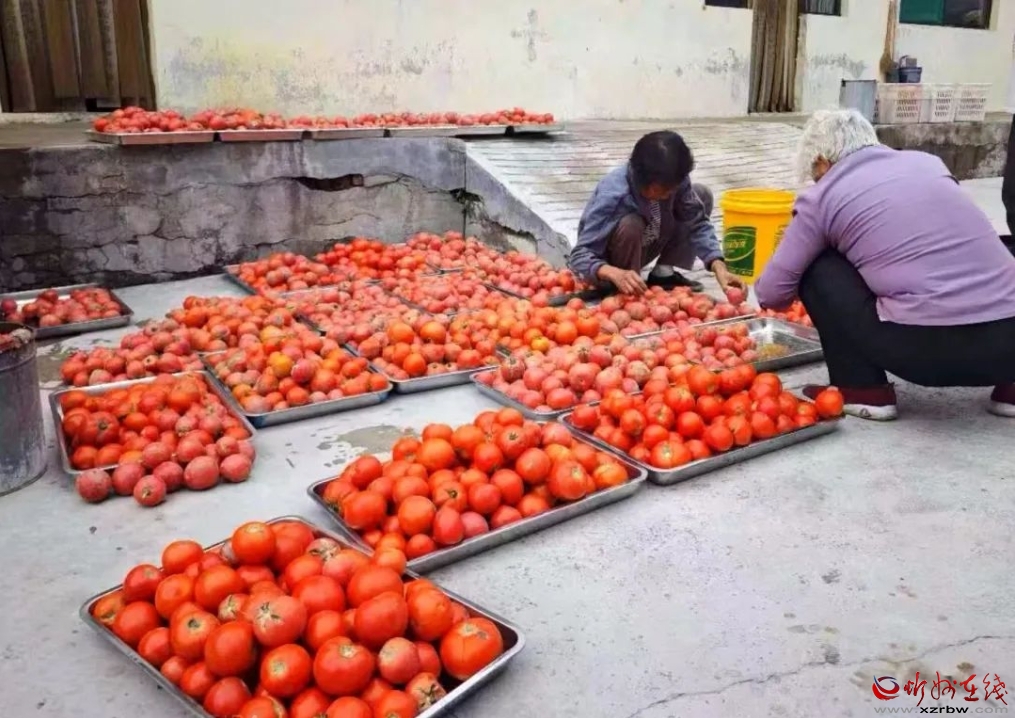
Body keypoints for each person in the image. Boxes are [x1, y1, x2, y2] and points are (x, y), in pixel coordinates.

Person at [754, 109, 1015, 421]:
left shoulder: (823, 195)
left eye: (815, 173)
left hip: (927, 355)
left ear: (822, 161)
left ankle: (862, 388)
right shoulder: (929, 164)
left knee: (816, 265)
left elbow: (771, 293)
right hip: (1009, 347)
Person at [567, 130, 745, 297]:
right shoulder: (614, 194)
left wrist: (718, 265)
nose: (668, 194)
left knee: (701, 194)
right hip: (615, 259)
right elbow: (580, 255)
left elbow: (696, 223)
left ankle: (663, 274)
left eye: (672, 188)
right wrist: (612, 272)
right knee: (631, 224)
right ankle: (627, 285)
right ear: (643, 180)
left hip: (650, 238)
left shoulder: (674, 181)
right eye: (662, 189)